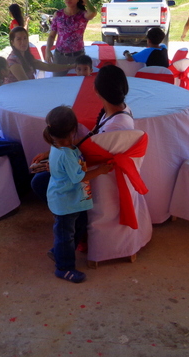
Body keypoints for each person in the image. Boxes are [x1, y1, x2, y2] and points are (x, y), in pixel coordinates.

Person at [30, 65, 134, 200]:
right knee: (37, 174)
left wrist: (60, 163)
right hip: (85, 162)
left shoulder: (116, 125)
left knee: (38, 182)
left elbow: (96, 156)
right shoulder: (119, 110)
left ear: (95, 89)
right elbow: (90, 138)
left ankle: (70, 212)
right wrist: (50, 153)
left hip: (93, 169)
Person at [43, 106, 113, 283]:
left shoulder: (58, 146)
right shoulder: (66, 154)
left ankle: (59, 252)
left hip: (73, 201)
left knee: (77, 227)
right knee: (65, 235)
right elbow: (79, 177)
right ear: (73, 129)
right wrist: (101, 170)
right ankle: (64, 268)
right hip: (66, 203)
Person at [45, 0, 97, 76]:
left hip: (78, 57)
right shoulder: (58, 14)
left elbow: (93, 12)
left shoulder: (83, 15)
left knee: (78, 84)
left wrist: (87, 2)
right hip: (60, 57)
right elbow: (52, 35)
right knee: (59, 84)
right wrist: (48, 50)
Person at [6, 27, 73, 82]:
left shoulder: (27, 57)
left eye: (25, 38)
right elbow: (25, 83)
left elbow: (48, 67)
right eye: (19, 39)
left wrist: (71, 66)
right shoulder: (13, 61)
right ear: (12, 43)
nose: (23, 42)